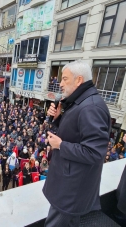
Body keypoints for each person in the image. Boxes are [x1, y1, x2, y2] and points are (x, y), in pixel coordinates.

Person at [43, 60, 111, 226]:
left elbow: (94, 153)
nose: (60, 83)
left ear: (79, 80)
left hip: (71, 190)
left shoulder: (91, 107)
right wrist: (58, 118)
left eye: (65, 79)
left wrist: (60, 145)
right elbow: (75, 134)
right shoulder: (81, 102)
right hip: (68, 184)